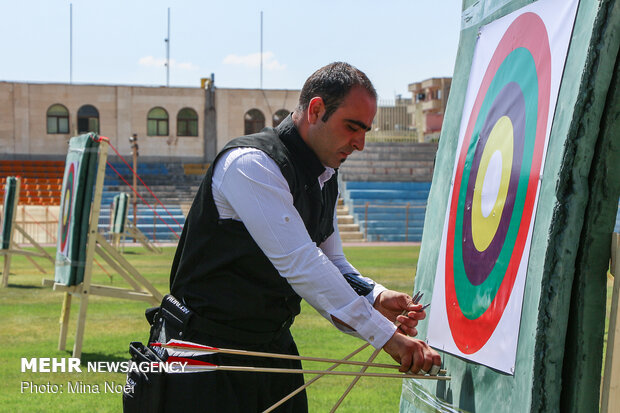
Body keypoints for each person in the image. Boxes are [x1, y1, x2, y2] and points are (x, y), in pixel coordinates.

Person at [154, 62, 441, 412]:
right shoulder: (250, 163)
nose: (361, 144)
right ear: (316, 110)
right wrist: (387, 338)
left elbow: (332, 261)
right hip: (204, 351)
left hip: (271, 346)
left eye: (366, 130)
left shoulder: (326, 175)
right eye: (352, 127)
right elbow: (301, 263)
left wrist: (376, 297)